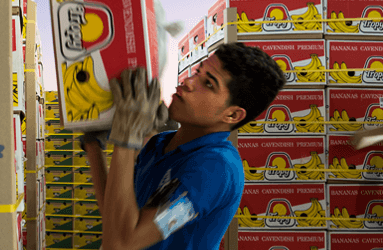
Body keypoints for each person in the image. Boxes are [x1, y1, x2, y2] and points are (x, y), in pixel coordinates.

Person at [81, 42, 286, 250]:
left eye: (208, 83)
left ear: (232, 114)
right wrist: (93, 145)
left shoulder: (216, 169)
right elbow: (116, 217)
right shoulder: (159, 145)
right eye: (197, 72)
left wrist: (126, 137)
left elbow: (121, 243)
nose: (188, 82)